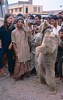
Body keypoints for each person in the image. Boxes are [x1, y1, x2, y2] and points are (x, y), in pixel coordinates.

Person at [11, 16, 30, 80]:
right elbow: (13, 42)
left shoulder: (25, 31)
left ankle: (24, 74)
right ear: (16, 23)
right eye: (19, 22)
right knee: (18, 62)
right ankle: (17, 76)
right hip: (19, 49)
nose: (20, 23)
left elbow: (28, 37)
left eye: (22, 22)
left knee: (25, 61)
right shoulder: (13, 32)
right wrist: (16, 51)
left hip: (25, 49)